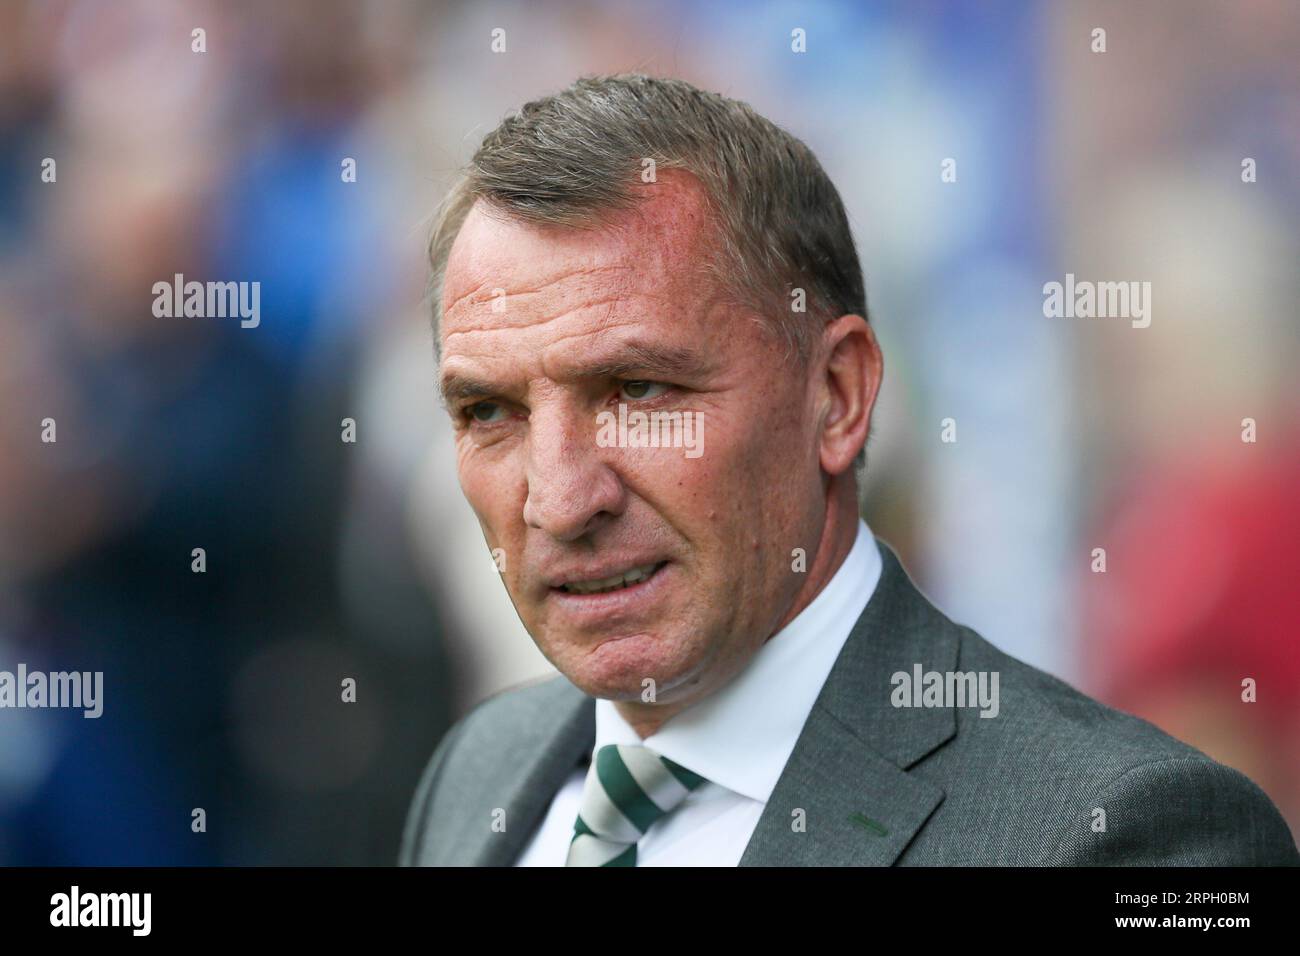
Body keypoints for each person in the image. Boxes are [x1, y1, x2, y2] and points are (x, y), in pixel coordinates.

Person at [399, 74, 1297, 866]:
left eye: (639, 390)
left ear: (836, 395)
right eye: (489, 412)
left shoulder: (1132, 836)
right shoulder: (478, 772)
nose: (559, 500)